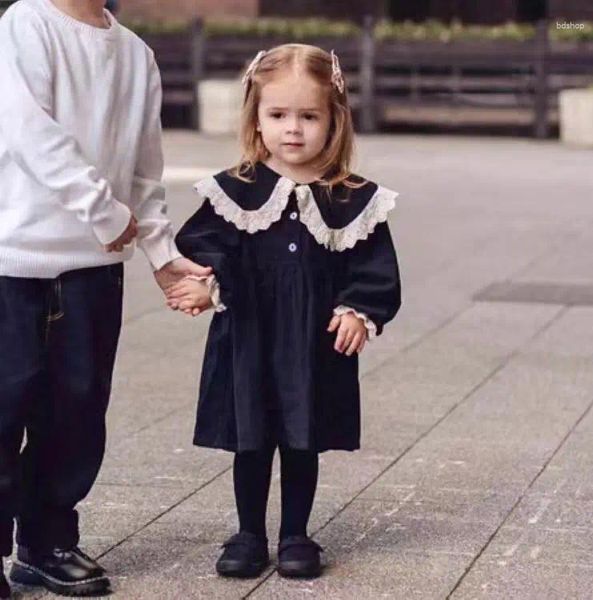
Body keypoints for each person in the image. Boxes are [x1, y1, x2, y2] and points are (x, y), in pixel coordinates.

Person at [0, 0, 211, 596]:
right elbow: (23, 129)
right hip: (14, 260)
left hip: (95, 267)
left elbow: (145, 168)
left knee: (76, 412)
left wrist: (163, 254)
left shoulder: (136, 54)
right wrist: (100, 207)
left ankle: (46, 544)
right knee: (3, 406)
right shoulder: (26, 22)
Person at [168, 43, 401, 579]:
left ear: (334, 120)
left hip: (312, 341)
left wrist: (357, 310)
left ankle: (296, 533)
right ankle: (249, 532)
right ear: (256, 117)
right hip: (249, 336)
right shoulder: (235, 190)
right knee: (251, 437)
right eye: (277, 115)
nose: (292, 129)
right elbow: (204, 245)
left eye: (308, 116)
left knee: (303, 436)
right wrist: (208, 285)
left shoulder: (352, 198)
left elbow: (375, 268)